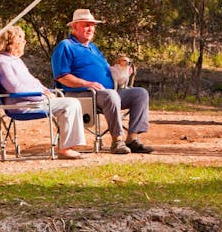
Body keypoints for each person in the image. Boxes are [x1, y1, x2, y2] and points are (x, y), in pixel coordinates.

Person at [51, 9, 153, 154]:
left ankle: (132, 139)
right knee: (111, 95)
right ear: (74, 27)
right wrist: (86, 83)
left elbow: (106, 71)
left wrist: (121, 72)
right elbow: (62, 76)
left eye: (92, 25)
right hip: (83, 94)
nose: (91, 29)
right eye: (86, 25)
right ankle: (117, 141)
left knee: (140, 93)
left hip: (108, 93)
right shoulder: (65, 46)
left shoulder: (93, 48)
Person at [0, 26, 86, 159]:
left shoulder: (14, 60)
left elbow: (32, 81)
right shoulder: (1, 62)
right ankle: (65, 149)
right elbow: (15, 88)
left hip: (33, 100)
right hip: (22, 105)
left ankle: (66, 145)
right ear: (14, 44)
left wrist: (44, 90)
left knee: (70, 102)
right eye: (22, 41)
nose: (24, 44)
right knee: (70, 104)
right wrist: (40, 95)